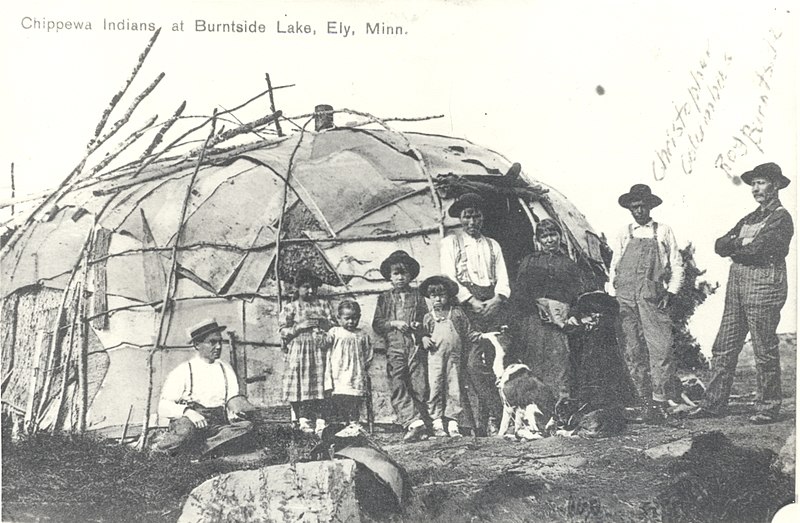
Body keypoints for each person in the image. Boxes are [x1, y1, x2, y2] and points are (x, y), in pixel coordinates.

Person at [688, 162, 793, 424]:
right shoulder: (751, 217)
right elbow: (719, 244)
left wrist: (738, 246)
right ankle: (713, 404)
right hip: (737, 287)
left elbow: (760, 250)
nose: (755, 189)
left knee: (763, 347)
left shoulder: (781, 217)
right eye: (753, 184)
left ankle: (768, 407)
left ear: (776, 185)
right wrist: (741, 243)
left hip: (764, 284)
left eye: (761, 183)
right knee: (724, 346)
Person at [607, 184, 684, 421]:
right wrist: (613, 293)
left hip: (652, 297)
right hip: (625, 298)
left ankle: (660, 401)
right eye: (634, 207)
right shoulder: (624, 233)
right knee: (633, 350)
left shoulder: (663, 231)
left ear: (650, 206)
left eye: (642, 206)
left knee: (660, 348)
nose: (638, 211)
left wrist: (671, 292)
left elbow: (677, 264)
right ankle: (643, 403)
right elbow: (615, 265)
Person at [440, 192, 509, 436]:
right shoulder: (451, 242)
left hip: (492, 307)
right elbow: (449, 276)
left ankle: (495, 418)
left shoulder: (493, 245)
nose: (472, 222)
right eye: (467, 216)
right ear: (460, 218)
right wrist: (470, 300)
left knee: (495, 361)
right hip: (466, 310)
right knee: (470, 365)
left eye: (476, 216)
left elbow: (502, 276)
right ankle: (484, 418)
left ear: (483, 217)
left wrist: (497, 298)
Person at [155, 319, 257, 455]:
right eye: (212, 342)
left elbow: (232, 398)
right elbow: (163, 406)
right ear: (197, 345)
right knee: (185, 430)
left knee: (247, 427)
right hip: (191, 422)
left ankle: (200, 450)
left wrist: (237, 409)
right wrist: (188, 413)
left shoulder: (225, 368)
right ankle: (162, 451)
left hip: (217, 425)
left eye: (220, 342)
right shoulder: (184, 370)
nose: (219, 346)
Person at [510, 218, 584, 401]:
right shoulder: (529, 261)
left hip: (559, 321)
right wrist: (536, 306)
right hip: (534, 319)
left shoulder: (568, 264)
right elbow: (519, 290)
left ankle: (561, 403)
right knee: (535, 359)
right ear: (538, 240)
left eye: (553, 234)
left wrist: (572, 314)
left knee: (560, 360)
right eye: (544, 236)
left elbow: (578, 293)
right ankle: (537, 405)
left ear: (559, 236)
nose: (549, 240)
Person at [372, 250, 431, 442]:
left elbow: (425, 320)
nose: (400, 277)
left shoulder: (417, 296)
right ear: (390, 276)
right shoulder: (385, 297)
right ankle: (412, 422)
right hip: (395, 346)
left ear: (410, 275)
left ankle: (422, 425)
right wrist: (394, 323)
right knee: (398, 383)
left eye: (403, 273)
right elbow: (377, 323)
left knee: (419, 385)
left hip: (414, 347)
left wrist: (417, 326)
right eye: (396, 273)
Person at [419, 275, 481, 438]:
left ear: (448, 296)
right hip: (435, 359)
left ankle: (453, 423)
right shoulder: (428, 317)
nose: (438, 299)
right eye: (434, 296)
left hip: (454, 359)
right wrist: (424, 338)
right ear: (429, 297)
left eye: (442, 295)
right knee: (435, 387)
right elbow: (423, 334)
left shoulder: (457, 313)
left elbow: (469, 332)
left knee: (454, 389)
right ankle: (437, 422)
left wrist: (481, 337)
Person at [279, 268, 337, 435]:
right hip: (299, 350)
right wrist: (298, 327)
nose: (310, 291)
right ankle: (303, 419)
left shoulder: (323, 305)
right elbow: (282, 331)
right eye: (306, 287)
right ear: (297, 288)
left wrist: (324, 323)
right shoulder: (291, 307)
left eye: (313, 287)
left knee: (320, 383)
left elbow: (333, 326)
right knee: (300, 383)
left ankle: (321, 419)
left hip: (319, 350)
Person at [327, 300, 373, 429]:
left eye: (354, 318)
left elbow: (368, 353)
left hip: (356, 371)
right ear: (339, 318)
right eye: (347, 319)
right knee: (340, 396)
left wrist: (363, 367)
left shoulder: (362, 334)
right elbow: (325, 345)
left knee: (354, 397)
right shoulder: (335, 332)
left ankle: (354, 421)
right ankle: (342, 421)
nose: (351, 322)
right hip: (339, 371)